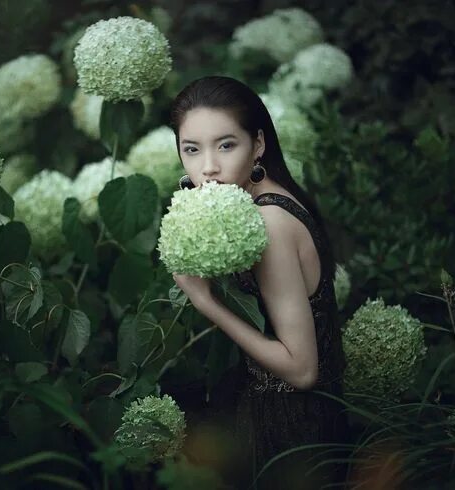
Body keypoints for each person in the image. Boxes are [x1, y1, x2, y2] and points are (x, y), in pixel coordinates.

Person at [167, 76, 350, 489]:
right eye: (192, 150)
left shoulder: (268, 223)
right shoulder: (261, 199)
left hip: (291, 430)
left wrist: (205, 301)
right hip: (295, 417)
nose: (208, 167)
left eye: (226, 145)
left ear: (259, 145)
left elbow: (302, 370)